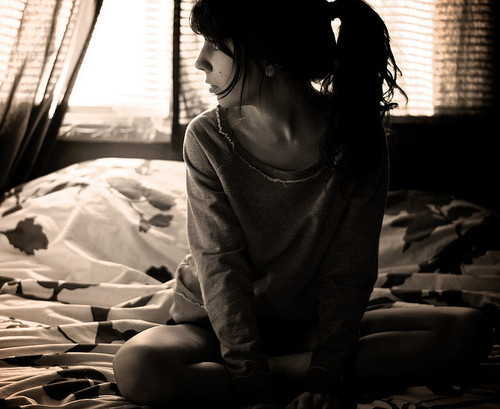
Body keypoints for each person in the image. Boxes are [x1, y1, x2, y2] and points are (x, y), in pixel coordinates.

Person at [113, 0, 492, 408]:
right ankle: (278, 371)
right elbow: (220, 265)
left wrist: (325, 372)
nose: (201, 62)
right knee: (138, 366)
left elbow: (350, 268)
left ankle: (282, 369)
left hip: (310, 326)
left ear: (270, 58)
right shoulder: (207, 139)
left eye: (216, 45)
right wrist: (250, 376)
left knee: (468, 331)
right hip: (216, 326)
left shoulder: (357, 138)